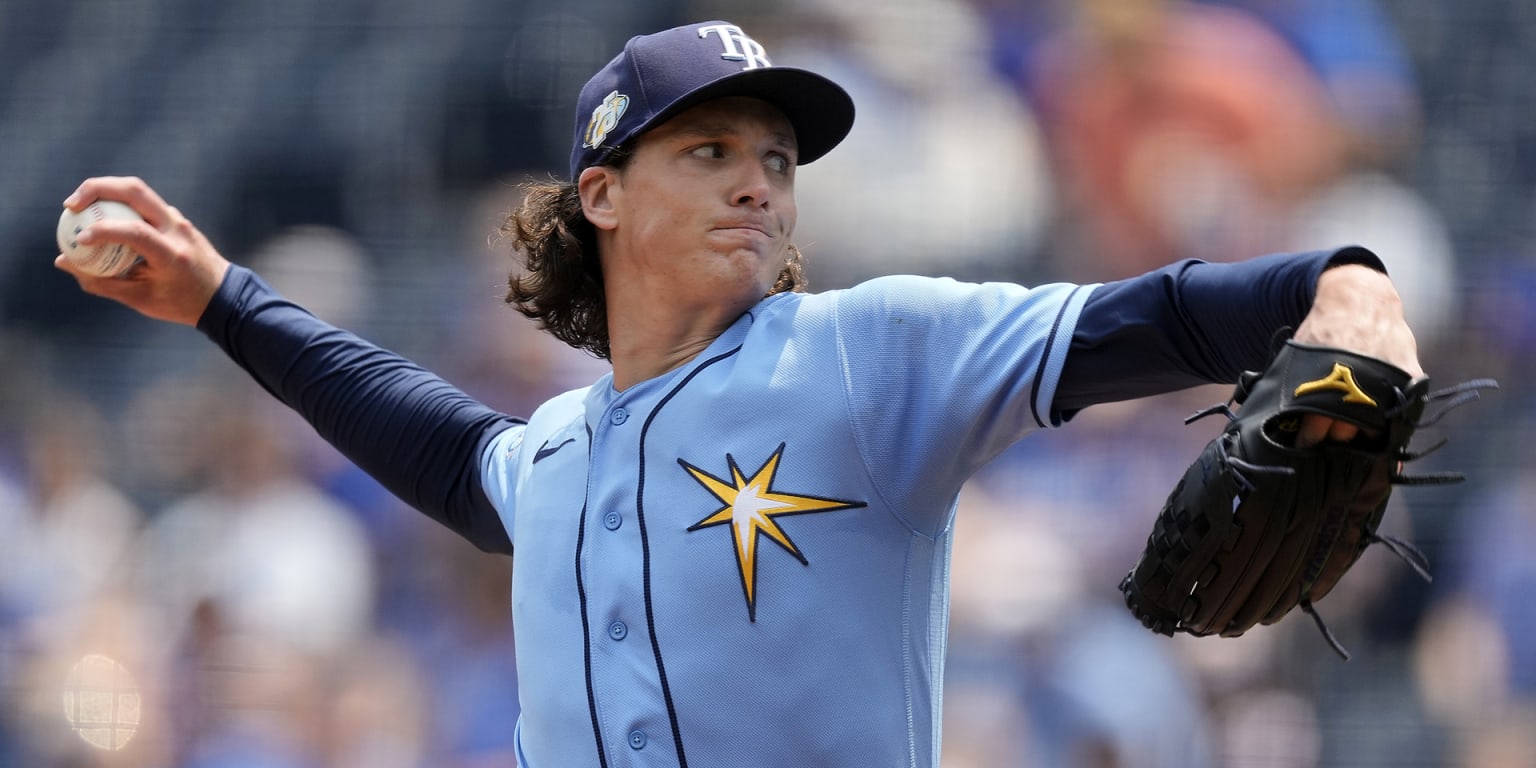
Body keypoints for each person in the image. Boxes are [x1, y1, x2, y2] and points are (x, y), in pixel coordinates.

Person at [57, 19, 1424, 768]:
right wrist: (223, 299)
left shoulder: (870, 355)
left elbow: (1159, 314)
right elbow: (427, 439)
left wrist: (1345, 283)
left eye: (775, 158)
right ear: (600, 195)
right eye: (709, 150)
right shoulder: (556, 460)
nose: (758, 181)